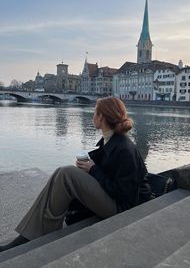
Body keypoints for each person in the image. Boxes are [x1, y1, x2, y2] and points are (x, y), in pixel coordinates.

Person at [0, 97, 151, 252]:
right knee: (61, 173)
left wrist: (93, 169)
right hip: (114, 201)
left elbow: (124, 194)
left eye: (94, 112)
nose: (92, 116)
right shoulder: (111, 140)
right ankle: (31, 234)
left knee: (67, 174)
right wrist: (89, 169)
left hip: (122, 210)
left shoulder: (125, 149)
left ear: (101, 117)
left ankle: (34, 235)